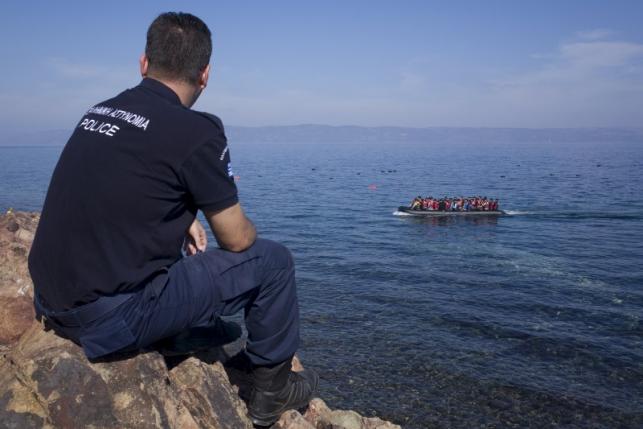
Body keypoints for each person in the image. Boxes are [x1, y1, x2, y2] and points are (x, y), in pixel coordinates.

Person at [27, 12, 317, 426]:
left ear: (144, 62)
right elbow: (235, 239)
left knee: (174, 253)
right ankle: (271, 389)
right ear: (205, 74)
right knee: (273, 262)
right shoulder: (197, 131)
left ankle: (173, 332)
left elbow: (119, 179)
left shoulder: (101, 111)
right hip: (109, 321)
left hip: (50, 299)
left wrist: (182, 218)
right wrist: (246, 227)